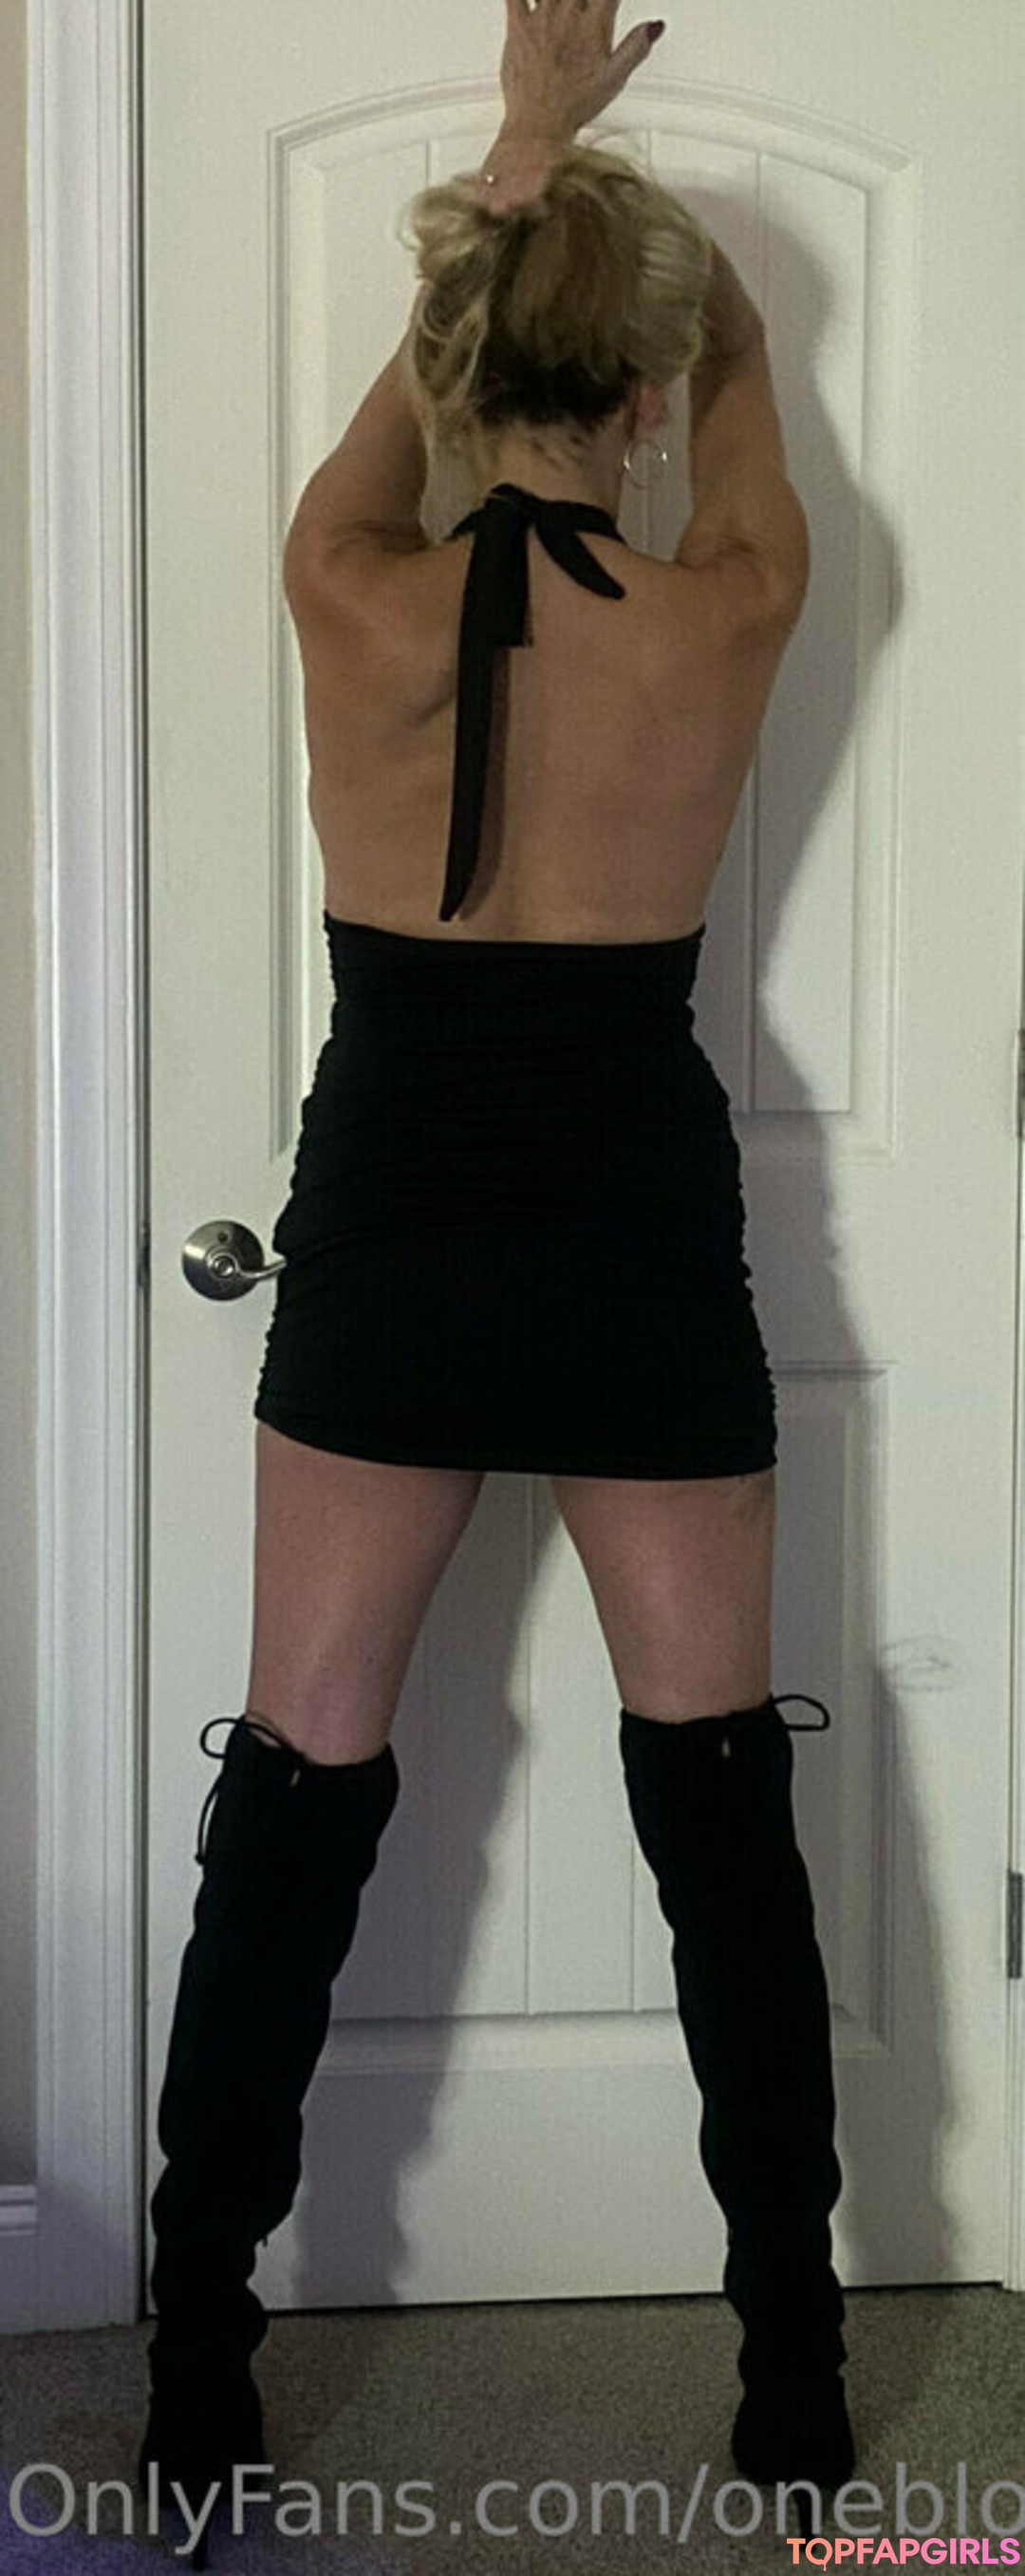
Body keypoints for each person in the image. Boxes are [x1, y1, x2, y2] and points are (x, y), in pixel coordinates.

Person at [138, 1, 854, 2556]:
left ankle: (196, 2373)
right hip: (638, 1230)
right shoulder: (730, 603)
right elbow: (737, 391)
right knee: (721, 1809)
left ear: (460, 368)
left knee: (296, 1794)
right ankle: (797, 2386)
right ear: (639, 394)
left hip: (398, 1229)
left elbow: (405, 424)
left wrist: (524, 154)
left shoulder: (345, 590)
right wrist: (682, 290)